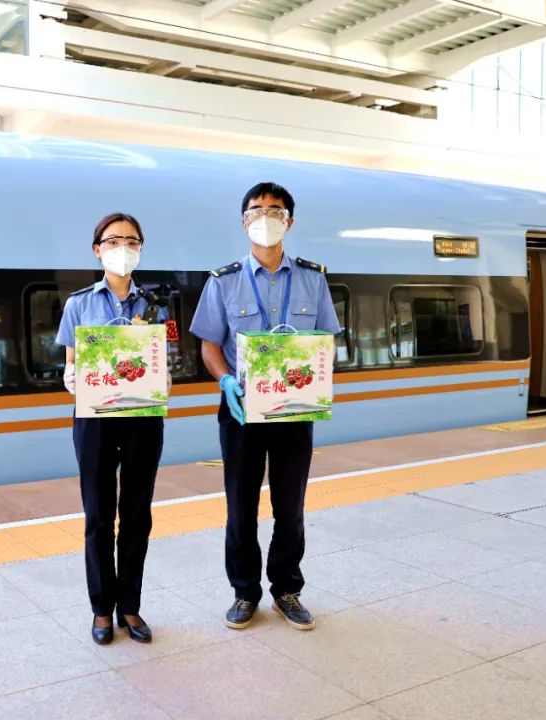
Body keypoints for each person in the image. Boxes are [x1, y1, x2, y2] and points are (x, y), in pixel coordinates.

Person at [190, 182, 340, 632]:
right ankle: (244, 593)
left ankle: (287, 591)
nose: (265, 218)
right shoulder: (223, 281)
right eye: (256, 210)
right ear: (244, 222)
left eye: (275, 211)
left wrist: (316, 375)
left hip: (294, 411)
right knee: (240, 508)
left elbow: (327, 340)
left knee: (290, 507)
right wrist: (226, 381)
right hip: (241, 412)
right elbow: (209, 345)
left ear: (289, 221)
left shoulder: (313, 279)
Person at [57, 212, 167, 646]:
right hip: (95, 420)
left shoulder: (155, 305)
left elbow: (161, 359)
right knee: (99, 515)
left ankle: (131, 606)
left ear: (141, 248)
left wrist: (164, 378)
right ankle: (102, 608)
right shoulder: (79, 304)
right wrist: (71, 377)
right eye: (114, 241)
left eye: (132, 241)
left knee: (137, 514)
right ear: (97, 249)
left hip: (143, 418)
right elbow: (69, 363)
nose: (123, 248)